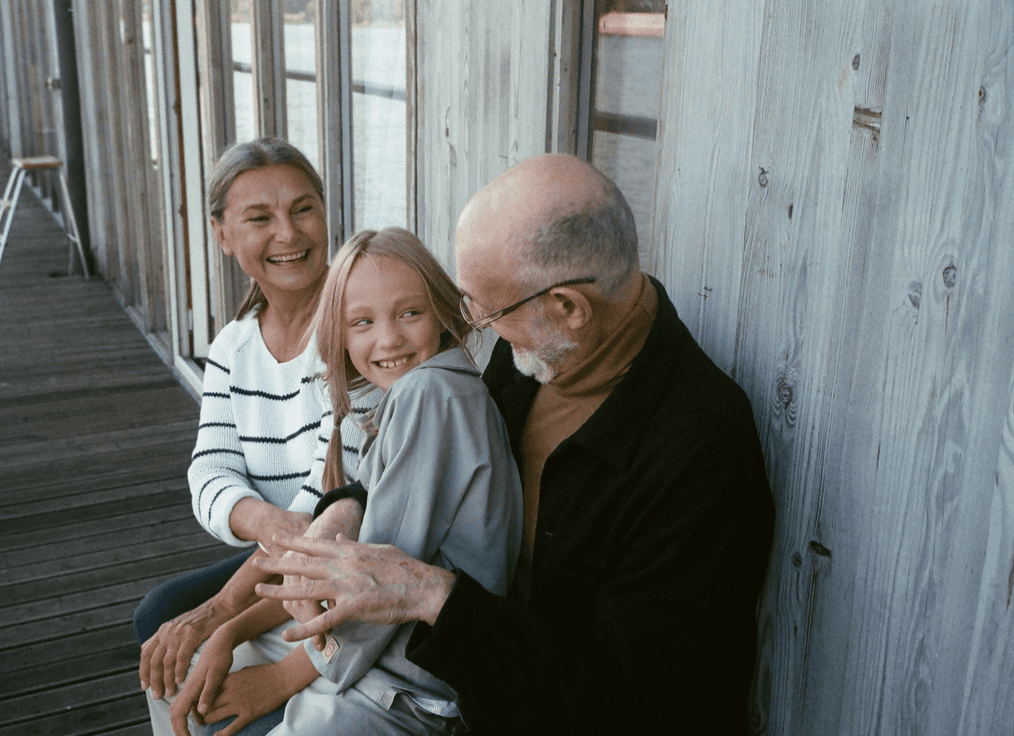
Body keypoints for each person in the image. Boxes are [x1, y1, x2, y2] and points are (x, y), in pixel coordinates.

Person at [255, 154, 776, 734]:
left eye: (487, 308)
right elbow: (438, 468)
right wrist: (348, 505)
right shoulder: (535, 351)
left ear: (568, 307)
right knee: (175, 623)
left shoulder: (699, 453)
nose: (473, 323)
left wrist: (434, 598)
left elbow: (637, 703)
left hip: (495, 705)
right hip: (434, 667)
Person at [151, 228, 522, 736]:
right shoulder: (410, 396)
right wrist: (229, 629)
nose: (388, 338)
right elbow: (329, 562)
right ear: (340, 336)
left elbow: (373, 588)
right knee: (189, 672)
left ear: (442, 309)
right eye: (362, 322)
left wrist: (279, 679)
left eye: (409, 313)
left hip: (405, 691)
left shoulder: (432, 397)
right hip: (366, 658)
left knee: (201, 703)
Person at [135, 138, 375, 719]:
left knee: (194, 628)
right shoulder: (234, 344)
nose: (289, 235)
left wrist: (223, 612)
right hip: (282, 551)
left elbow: (328, 509)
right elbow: (210, 471)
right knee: (159, 615)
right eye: (260, 218)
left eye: (303, 209)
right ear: (223, 235)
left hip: (351, 554)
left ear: (326, 213)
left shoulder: (363, 330)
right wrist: (267, 520)